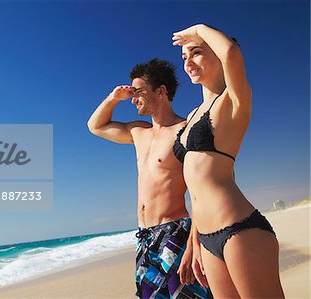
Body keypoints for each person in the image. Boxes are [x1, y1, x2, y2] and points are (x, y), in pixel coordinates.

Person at [172, 24, 284, 298]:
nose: (188, 62)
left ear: (218, 57)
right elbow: (202, 183)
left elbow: (231, 51)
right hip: (207, 238)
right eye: (184, 57)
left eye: (196, 52)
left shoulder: (234, 100)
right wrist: (194, 241)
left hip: (240, 229)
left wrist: (198, 28)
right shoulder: (193, 114)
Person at [87, 58, 211, 298]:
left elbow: (201, 192)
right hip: (145, 236)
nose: (133, 99)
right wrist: (114, 98)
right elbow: (95, 126)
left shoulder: (185, 130)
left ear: (161, 91)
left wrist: (194, 243)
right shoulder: (138, 131)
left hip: (175, 232)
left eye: (139, 92)